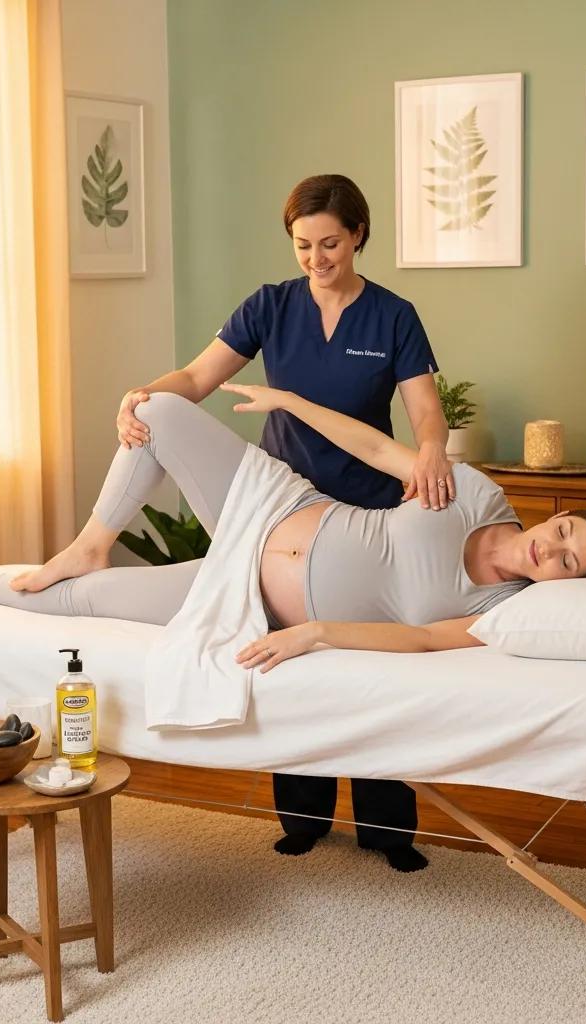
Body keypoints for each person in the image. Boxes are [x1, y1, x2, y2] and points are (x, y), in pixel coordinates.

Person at [0, 389, 586, 873]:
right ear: (556, 514)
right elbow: (375, 449)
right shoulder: (472, 491)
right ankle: (89, 540)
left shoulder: (502, 611)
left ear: (567, 583)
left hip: (249, 600)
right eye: (564, 532)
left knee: (79, 602)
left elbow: (418, 642)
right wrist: (289, 401)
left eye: (568, 562)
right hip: (273, 507)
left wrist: (315, 632)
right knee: (158, 410)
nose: (551, 550)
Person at [117, 173, 452, 870]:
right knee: (287, 662)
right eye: (303, 245)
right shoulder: (270, 305)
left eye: (330, 243)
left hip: (364, 517)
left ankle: (387, 832)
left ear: (358, 235)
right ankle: (303, 819)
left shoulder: (393, 316)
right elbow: (197, 379)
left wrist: (431, 451)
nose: (316, 258)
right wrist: (142, 394)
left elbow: (425, 409)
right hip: (277, 510)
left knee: (366, 673)